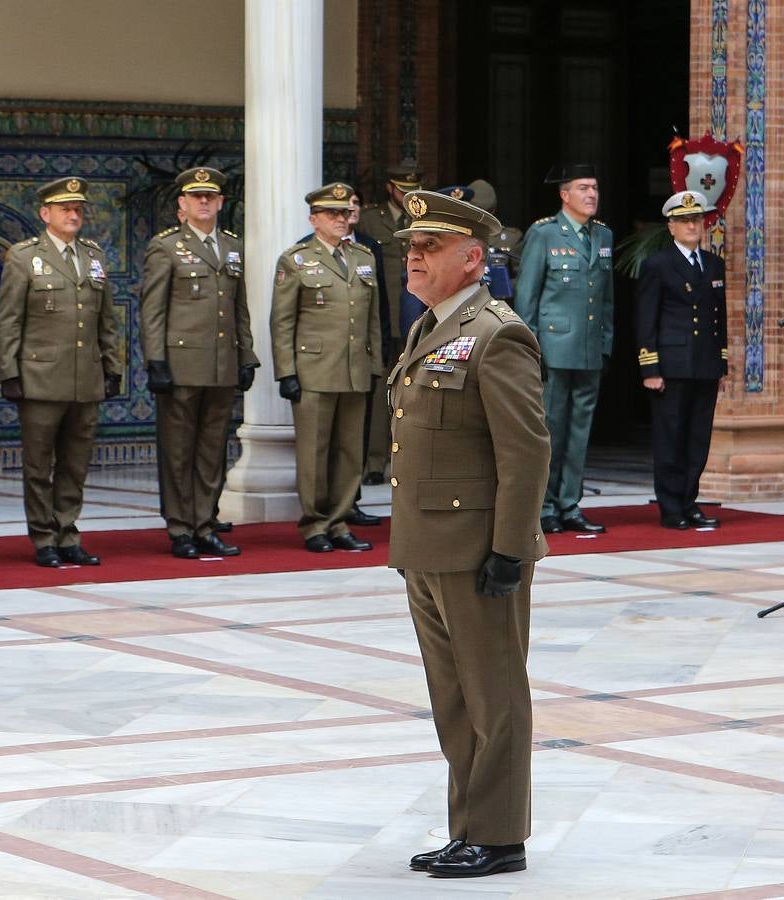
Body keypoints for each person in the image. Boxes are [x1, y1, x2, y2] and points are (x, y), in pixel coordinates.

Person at [388, 189, 549, 878]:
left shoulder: (497, 333)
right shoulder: (430, 327)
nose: (414, 259)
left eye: (429, 249)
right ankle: (470, 828)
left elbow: (526, 452)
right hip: (428, 546)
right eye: (411, 249)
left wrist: (510, 550)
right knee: (452, 698)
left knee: (494, 694)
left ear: (473, 258)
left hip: (479, 549)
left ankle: (501, 835)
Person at [0, 176, 123, 567]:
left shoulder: (94, 256)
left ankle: (68, 533)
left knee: (75, 463)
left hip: (85, 378)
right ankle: (44, 538)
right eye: (65, 209)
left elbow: (107, 320)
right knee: (39, 465)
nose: (73, 215)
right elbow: (8, 320)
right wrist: (8, 372)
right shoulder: (23, 256)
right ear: (45, 213)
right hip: (40, 378)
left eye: (78, 209)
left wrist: (111, 366)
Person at [141, 166, 257, 559]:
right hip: (181, 364)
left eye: (210, 197)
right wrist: (155, 359)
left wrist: (247, 354)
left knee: (211, 450)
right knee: (178, 451)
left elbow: (239, 307)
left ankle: (205, 523)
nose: (203, 202)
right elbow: (152, 310)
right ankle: (180, 527)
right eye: (196, 196)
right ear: (182, 204)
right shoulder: (166, 247)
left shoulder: (231, 246)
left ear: (221, 202)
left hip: (221, 364)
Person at [271, 182, 383, 552]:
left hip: (355, 368)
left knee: (350, 451)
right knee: (315, 452)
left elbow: (372, 320)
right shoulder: (296, 259)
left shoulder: (363, 257)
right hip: (314, 370)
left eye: (344, 213)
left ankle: (339, 522)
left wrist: (375, 363)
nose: (341, 219)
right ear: (314, 219)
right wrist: (286, 371)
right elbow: (283, 321)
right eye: (331, 214)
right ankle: (315, 523)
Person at [514, 162, 614, 535]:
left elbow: (606, 301)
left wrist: (605, 344)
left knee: (579, 432)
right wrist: (530, 349)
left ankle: (570, 503)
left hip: (588, 349)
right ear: (564, 194)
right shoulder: (544, 234)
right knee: (549, 430)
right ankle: (543, 506)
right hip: (552, 348)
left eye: (595, 188)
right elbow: (528, 298)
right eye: (584, 188)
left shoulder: (603, 236)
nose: (591, 195)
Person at [635, 190, 728, 530]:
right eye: (684, 221)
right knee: (670, 437)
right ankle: (671, 507)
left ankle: (690, 502)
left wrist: (722, 362)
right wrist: (650, 367)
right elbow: (647, 319)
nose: (692, 226)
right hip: (671, 365)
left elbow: (720, 317)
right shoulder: (657, 265)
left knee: (697, 438)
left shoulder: (714, 264)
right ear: (671, 227)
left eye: (696, 220)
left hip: (704, 364)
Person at [356, 162, 428, 483]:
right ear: (390, 188)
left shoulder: (426, 218)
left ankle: (410, 461)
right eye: (402, 190)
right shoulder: (372, 220)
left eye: (414, 189)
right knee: (380, 392)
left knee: (418, 396)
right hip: (385, 320)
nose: (408, 196)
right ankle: (374, 462)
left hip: (420, 319)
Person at [467, 178, 524, 300]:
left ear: (493, 211)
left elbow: (524, 281)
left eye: (484, 213)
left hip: (498, 307)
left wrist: (502, 284)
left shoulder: (511, 239)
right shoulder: (457, 237)